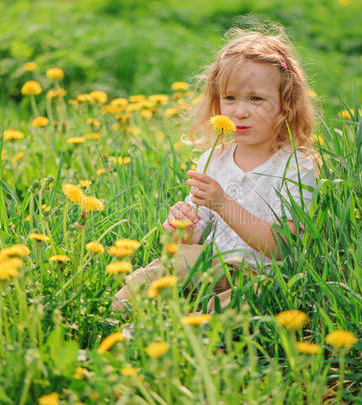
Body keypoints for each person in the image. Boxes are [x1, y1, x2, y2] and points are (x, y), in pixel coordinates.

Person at [113, 25, 317, 312]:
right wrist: (180, 228)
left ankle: (200, 331)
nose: (239, 111)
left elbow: (281, 246)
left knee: (242, 302)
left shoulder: (295, 167)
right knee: (173, 262)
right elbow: (195, 237)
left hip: (265, 278)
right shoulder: (213, 160)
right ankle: (122, 309)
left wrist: (223, 203)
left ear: (286, 106)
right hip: (213, 267)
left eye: (255, 99)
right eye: (230, 98)